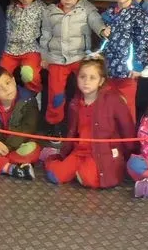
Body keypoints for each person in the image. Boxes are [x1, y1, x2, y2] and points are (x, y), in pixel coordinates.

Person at [42, 58, 136, 189]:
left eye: (92, 78)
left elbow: (127, 128)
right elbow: (72, 131)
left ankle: (81, 170)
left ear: (101, 81)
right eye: (82, 77)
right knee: (55, 176)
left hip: (102, 152)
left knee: (90, 180)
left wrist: (130, 154)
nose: (86, 82)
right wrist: (66, 151)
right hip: (80, 150)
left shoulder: (114, 100)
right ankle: (51, 155)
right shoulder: (75, 102)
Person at [39, 0, 106, 130]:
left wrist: (102, 30)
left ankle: (89, 122)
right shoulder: (50, 12)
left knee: (88, 87)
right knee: (55, 95)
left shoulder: (86, 8)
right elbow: (45, 34)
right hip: (56, 59)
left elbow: (96, 20)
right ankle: (54, 125)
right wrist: (44, 56)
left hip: (79, 57)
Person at [97, 0, 148, 119]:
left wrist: (138, 65)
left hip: (127, 71)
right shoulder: (108, 14)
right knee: (105, 105)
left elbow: (143, 42)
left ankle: (127, 141)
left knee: (126, 107)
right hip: (107, 69)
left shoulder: (140, 16)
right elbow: (103, 41)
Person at [1, 0, 47, 95]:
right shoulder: (11, 8)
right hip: (10, 49)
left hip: (30, 49)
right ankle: (9, 99)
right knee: (1, 75)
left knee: (29, 75)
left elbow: (48, 29)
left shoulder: (41, 8)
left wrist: (46, 53)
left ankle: (33, 98)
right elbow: (5, 28)